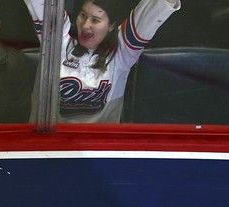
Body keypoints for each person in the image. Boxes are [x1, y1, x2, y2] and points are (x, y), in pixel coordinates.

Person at [21, 0, 181, 122]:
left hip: (101, 150)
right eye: (83, 15)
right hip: (47, 148)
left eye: (95, 20)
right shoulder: (56, 43)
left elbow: (155, 10)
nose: (85, 25)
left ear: (111, 25)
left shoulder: (122, 52)